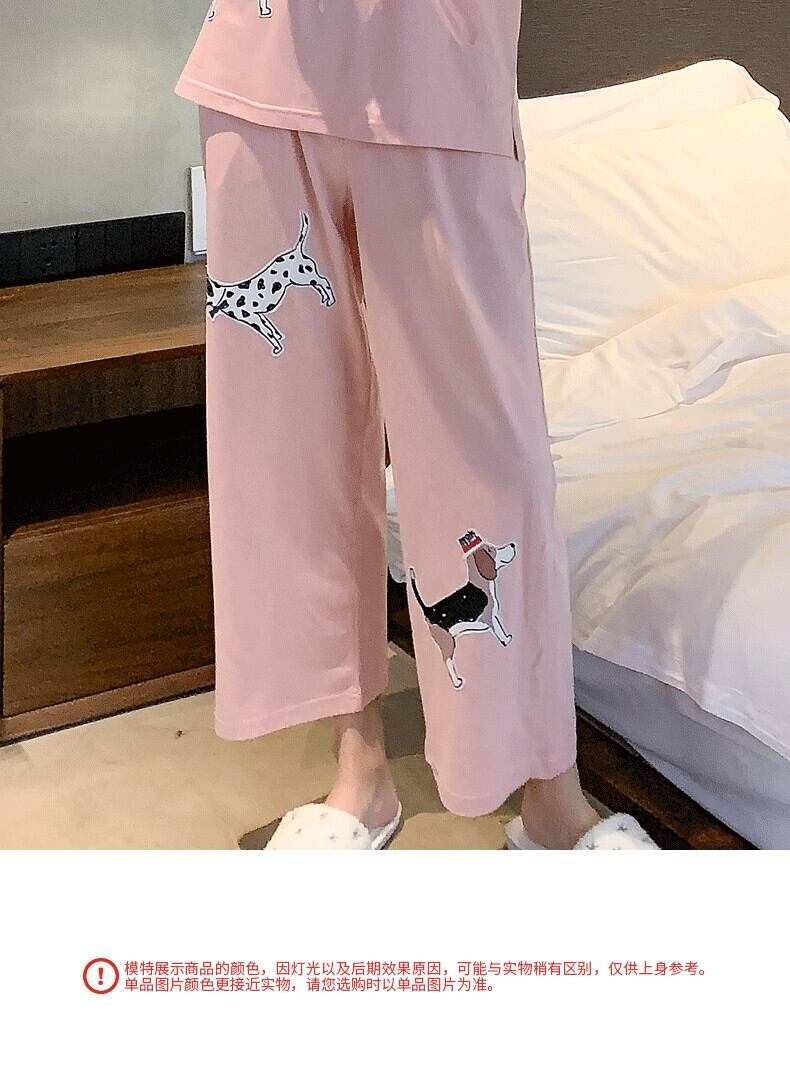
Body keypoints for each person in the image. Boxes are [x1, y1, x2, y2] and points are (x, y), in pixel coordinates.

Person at [174, 0, 660, 851]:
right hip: (259, 64)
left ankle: (553, 795)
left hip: (441, 60)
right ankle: (358, 774)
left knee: (486, 449)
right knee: (289, 446)